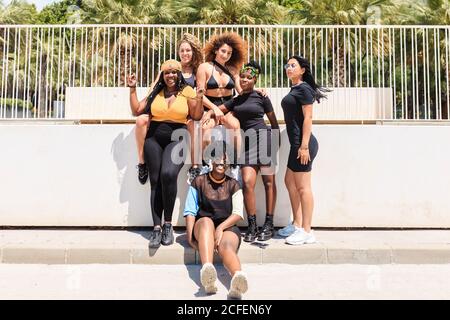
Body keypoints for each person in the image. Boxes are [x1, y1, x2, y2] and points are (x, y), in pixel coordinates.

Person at [130, 59, 203, 248]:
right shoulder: (156, 92)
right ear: (162, 75)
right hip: (154, 138)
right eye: (167, 72)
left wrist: (200, 97)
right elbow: (137, 110)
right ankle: (156, 227)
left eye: (174, 72)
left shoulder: (187, 91)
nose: (170, 75)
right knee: (155, 180)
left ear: (179, 74)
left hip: (177, 137)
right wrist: (132, 89)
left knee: (168, 175)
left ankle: (168, 224)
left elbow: (196, 116)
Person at [208, 61, 280, 242]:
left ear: (255, 79)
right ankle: (253, 225)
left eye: (249, 77)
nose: (245, 80)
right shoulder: (237, 100)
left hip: (264, 140)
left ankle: (269, 224)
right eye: (243, 77)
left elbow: (273, 121)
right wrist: (209, 113)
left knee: (269, 182)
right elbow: (220, 110)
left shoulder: (261, 96)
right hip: (247, 145)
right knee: (247, 183)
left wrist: (276, 141)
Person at [129, 33, 203, 185]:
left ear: (193, 52)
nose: (185, 53)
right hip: (163, 109)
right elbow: (155, 88)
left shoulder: (197, 71)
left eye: (188, 50)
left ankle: (195, 166)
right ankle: (142, 163)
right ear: (178, 52)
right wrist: (148, 103)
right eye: (182, 50)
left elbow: (199, 95)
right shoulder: (169, 68)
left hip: (186, 111)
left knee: (194, 124)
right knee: (141, 120)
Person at [183, 142, 248, 299]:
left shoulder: (234, 185)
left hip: (228, 227)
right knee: (206, 222)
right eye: (218, 157)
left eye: (225, 158)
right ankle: (208, 273)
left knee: (226, 246)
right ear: (210, 160)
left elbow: (238, 214)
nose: (221, 161)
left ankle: (238, 279)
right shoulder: (198, 181)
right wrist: (190, 236)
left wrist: (221, 228)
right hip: (204, 226)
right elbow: (190, 211)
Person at [277, 55, 327, 245]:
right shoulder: (296, 88)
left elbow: (308, 118)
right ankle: (297, 224)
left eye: (293, 65)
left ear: (302, 70)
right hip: (296, 145)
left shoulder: (304, 89)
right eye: (287, 65)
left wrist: (304, 146)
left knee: (303, 188)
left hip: (303, 145)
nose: (289, 68)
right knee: (289, 181)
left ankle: (307, 231)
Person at [190, 32, 247, 182]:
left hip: (228, 106)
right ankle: (204, 164)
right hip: (210, 106)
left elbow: (240, 91)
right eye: (223, 51)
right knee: (205, 130)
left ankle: (235, 164)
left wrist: (257, 91)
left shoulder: (233, 69)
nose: (226, 55)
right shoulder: (204, 67)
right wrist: (213, 109)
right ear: (215, 50)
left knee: (235, 125)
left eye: (229, 53)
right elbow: (200, 94)